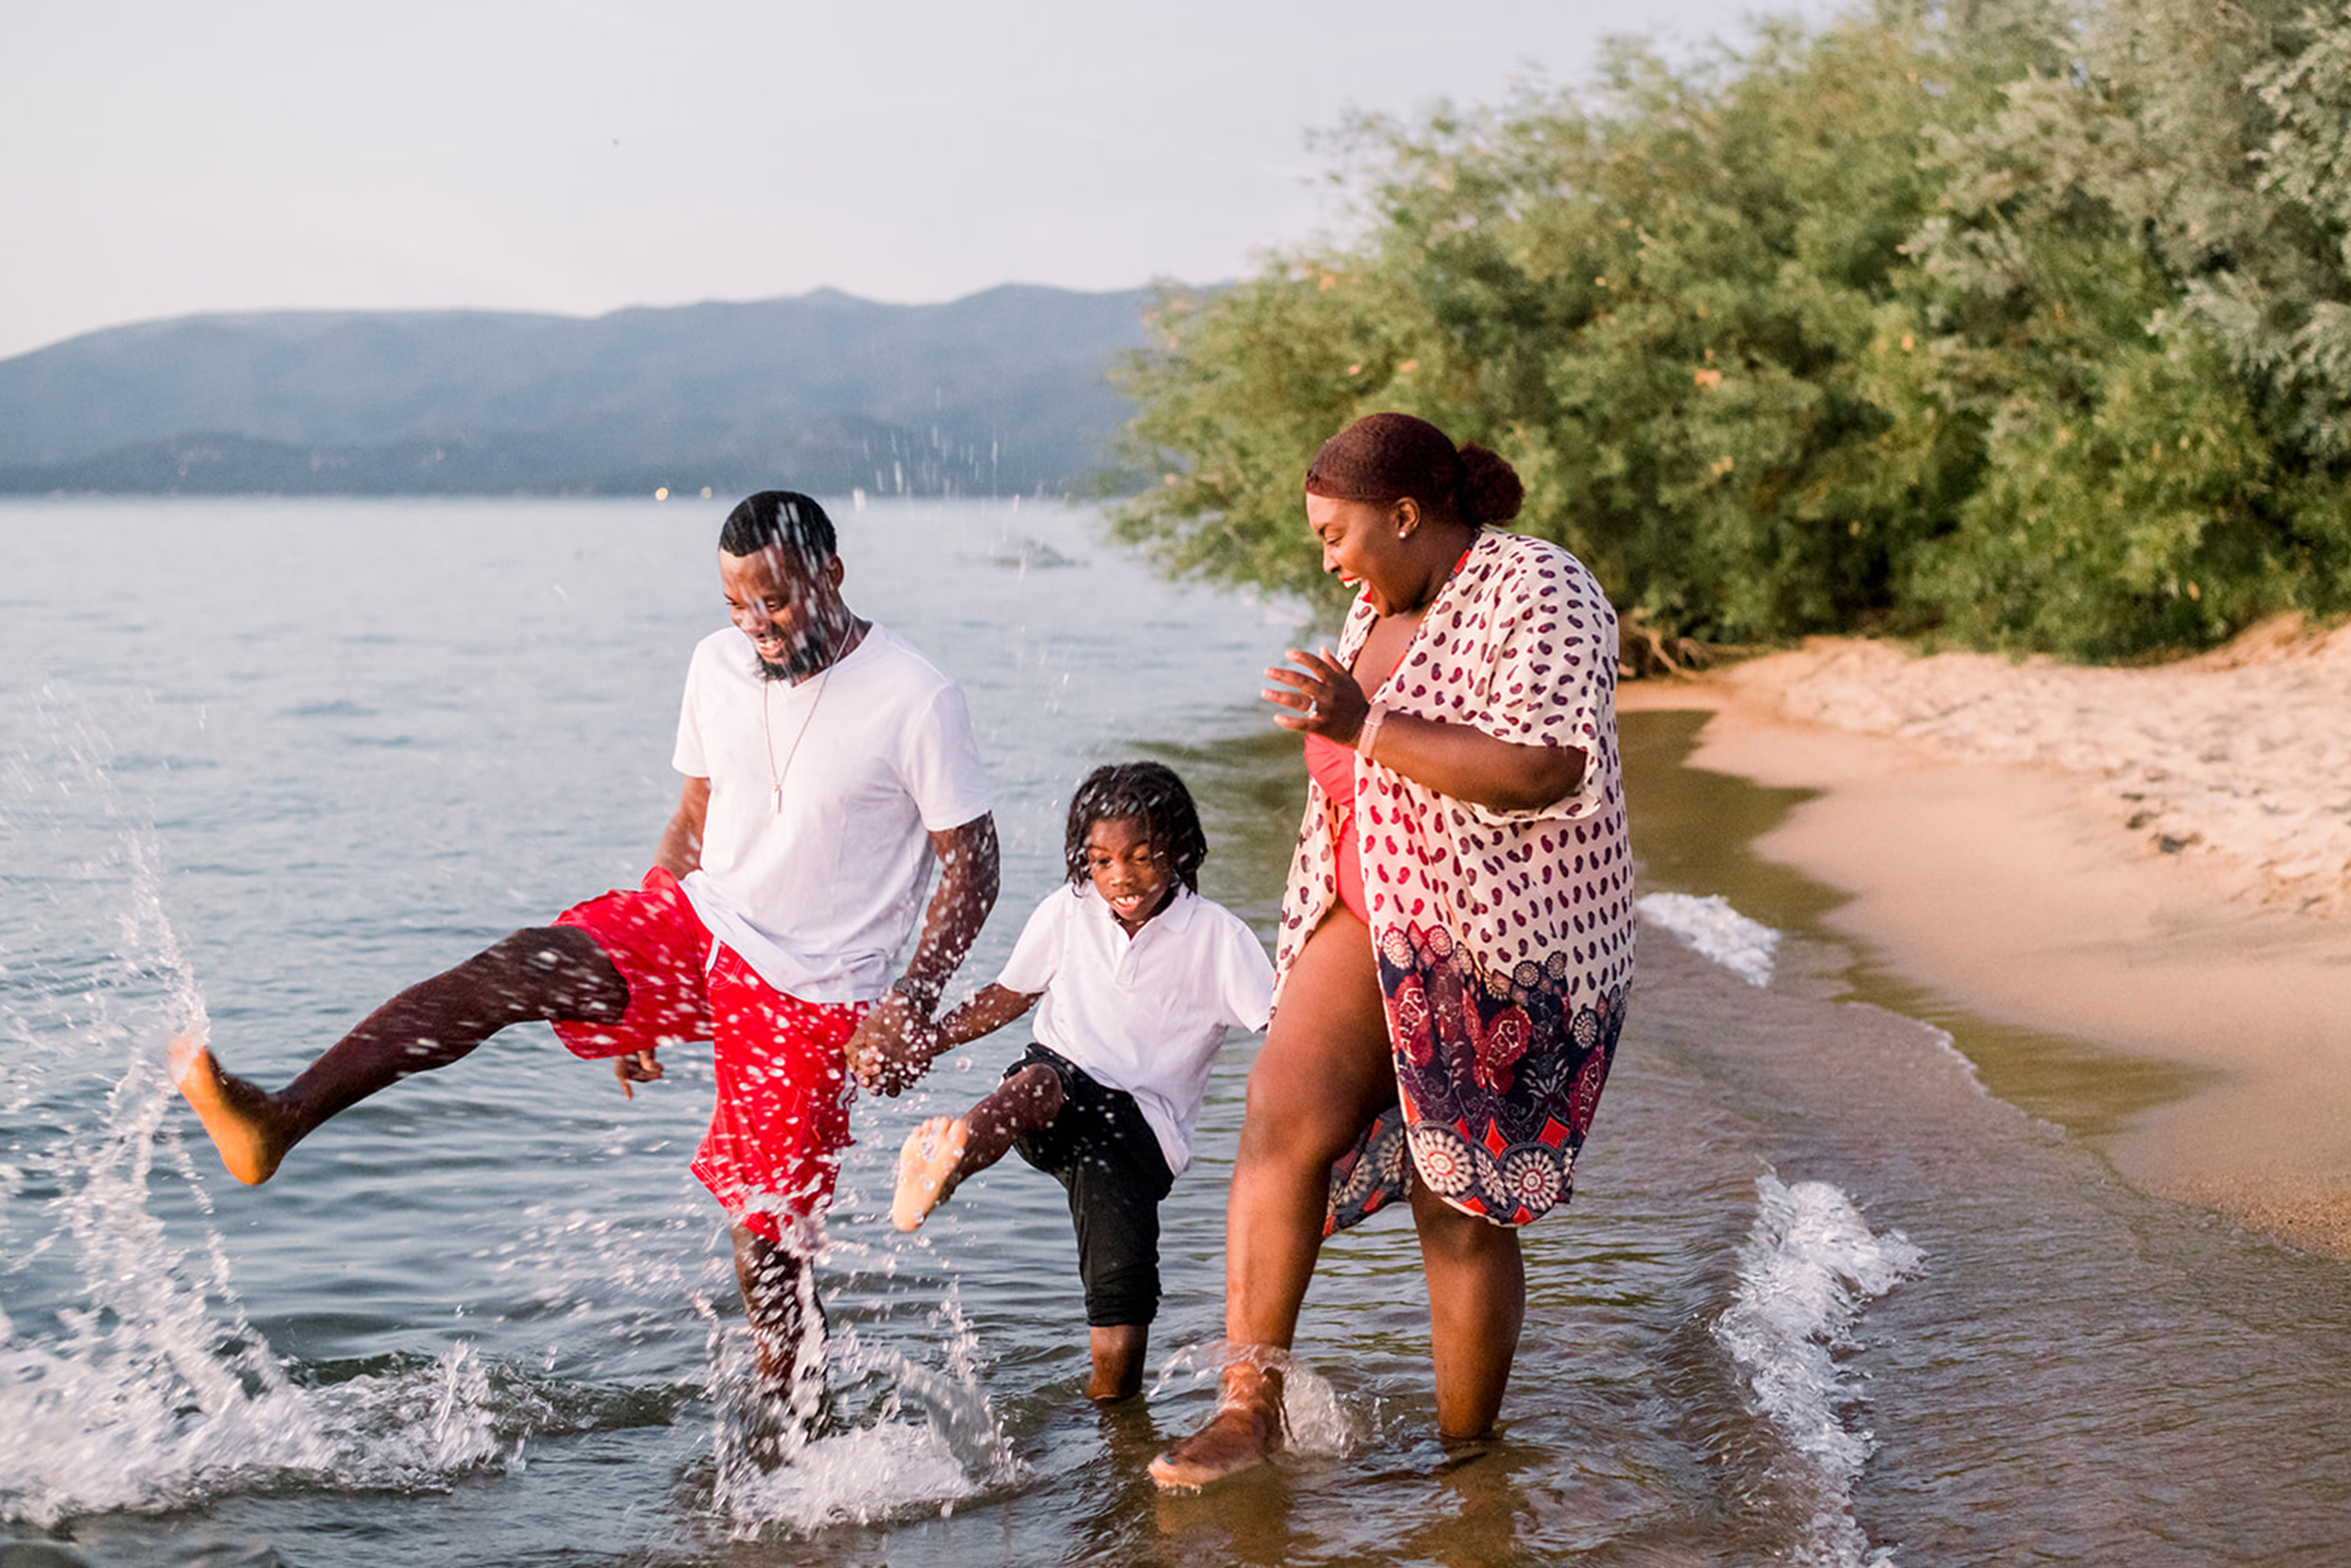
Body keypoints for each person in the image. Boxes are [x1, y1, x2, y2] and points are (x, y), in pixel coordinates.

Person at [171, 490, 1000, 1439]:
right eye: (736, 605)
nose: (754, 627)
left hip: (815, 985)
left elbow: (973, 864)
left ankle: (800, 1443)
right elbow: (695, 814)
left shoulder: (915, 694)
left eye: (773, 603)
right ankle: (279, 1119)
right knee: (523, 966)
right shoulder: (717, 664)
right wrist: (640, 981)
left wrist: (910, 999)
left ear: (831, 577)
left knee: (765, 1242)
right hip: (699, 923)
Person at [1147, 413, 1634, 1490]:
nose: (1327, 557)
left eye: (1335, 533)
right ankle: (1246, 1409)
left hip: (1505, 948)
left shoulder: (1540, 588)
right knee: (1279, 1121)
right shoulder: (1376, 603)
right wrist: (1345, 724)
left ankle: (1469, 1460)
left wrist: (1362, 721)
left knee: (1454, 1203)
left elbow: (1546, 765)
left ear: (1406, 516)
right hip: (1368, 919)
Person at [887, 762, 1275, 1402]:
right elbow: (1010, 995)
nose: (1119, 878)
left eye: (1142, 857)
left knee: (1119, 1318)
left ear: (1179, 850)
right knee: (1038, 1081)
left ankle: (1111, 1428)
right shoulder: (1067, 913)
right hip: (1058, 1095)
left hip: (1138, 1135)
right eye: (1099, 862)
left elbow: (1282, 1032)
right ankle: (949, 1162)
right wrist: (930, 1040)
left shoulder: (1219, 939)